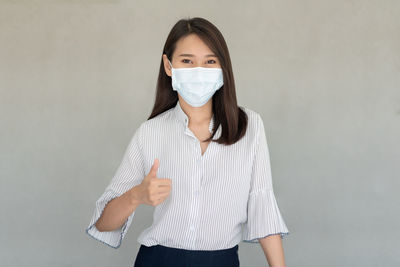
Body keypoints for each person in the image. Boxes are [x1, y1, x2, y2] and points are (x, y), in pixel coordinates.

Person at [85, 17, 290, 267]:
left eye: (210, 61)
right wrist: (137, 195)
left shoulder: (250, 126)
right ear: (169, 66)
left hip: (222, 261)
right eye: (187, 61)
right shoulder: (150, 132)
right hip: (158, 260)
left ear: (223, 68)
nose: (198, 71)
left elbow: (262, 204)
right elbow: (104, 224)